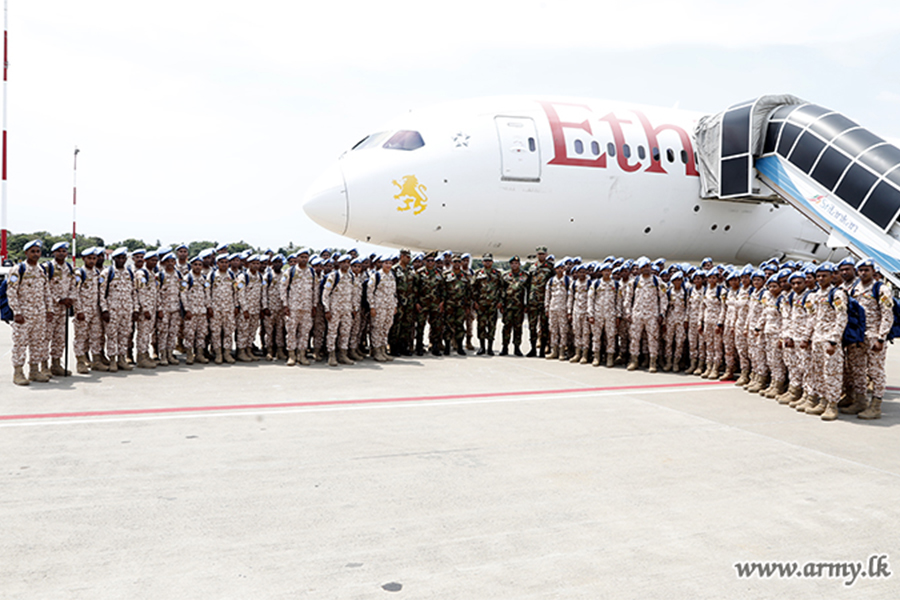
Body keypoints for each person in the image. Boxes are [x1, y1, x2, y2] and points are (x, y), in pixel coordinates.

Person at [847, 259, 894, 419]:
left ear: (873, 271)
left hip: (874, 337)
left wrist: (881, 338)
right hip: (858, 337)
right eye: (860, 270)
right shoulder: (855, 288)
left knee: (875, 371)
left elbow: (887, 315)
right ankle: (860, 401)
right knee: (858, 370)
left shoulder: (881, 289)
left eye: (866, 270)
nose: (863, 273)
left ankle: (876, 406)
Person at [7, 240, 52, 385]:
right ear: (26, 253)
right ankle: (18, 372)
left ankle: (34, 371)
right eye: (32, 251)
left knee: (37, 343)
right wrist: (17, 312)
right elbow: (11, 292)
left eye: (38, 251)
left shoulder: (41, 270)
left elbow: (47, 292)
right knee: (20, 344)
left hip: (39, 314)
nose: (36, 254)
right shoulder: (18, 269)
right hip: (23, 315)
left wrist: (49, 310)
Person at [807, 263, 848, 420]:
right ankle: (823, 400)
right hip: (817, 339)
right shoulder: (815, 295)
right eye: (818, 276)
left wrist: (834, 340)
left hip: (829, 340)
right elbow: (812, 318)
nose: (821, 278)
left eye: (824, 275)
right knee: (818, 372)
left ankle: (832, 405)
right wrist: (808, 337)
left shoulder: (837, 294)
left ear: (832, 276)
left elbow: (842, 317)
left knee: (832, 373)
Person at [99, 247, 137, 372]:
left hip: (127, 310)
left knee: (124, 336)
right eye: (118, 258)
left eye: (123, 258)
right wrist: (104, 309)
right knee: (112, 336)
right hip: (112, 311)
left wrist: (135, 308)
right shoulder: (107, 273)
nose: (121, 260)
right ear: (113, 259)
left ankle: (122, 359)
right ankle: (112, 361)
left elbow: (134, 292)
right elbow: (102, 293)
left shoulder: (130, 273)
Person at [627, 257, 667, 373]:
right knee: (635, 338)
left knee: (653, 339)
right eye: (643, 267)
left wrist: (661, 313)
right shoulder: (634, 282)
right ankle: (634, 361)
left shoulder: (657, 281)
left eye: (648, 266)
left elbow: (663, 298)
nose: (646, 269)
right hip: (637, 314)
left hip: (652, 315)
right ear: (639, 269)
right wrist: (628, 312)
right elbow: (628, 298)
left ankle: (652, 362)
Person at [44, 241, 76, 376]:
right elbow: (44, 287)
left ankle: (56, 364)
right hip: (49, 308)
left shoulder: (69, 268)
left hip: (63, 309)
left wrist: (70, 299)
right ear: (53, 253)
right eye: (59, 251)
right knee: (45, 338)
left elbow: (73, 285)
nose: (62, 253)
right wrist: (59, 299)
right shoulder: (47, 267)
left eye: (64, 251)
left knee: (59, 338)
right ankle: (43, 366)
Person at [73, 248, 106, 373]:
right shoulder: (80, 273)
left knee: (96, 336)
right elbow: (75, 292)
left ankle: (96, 361)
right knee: (81, 337)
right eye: (89, 258)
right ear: (84, 259)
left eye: (94, 258)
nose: (92, 261)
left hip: (95, 310)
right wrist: (79, 310)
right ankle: (80, 362)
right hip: (83, 310)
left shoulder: (97, 273)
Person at [282, 249, 317, 366]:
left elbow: (315, 290)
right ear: (297, 258)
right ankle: (291, 355)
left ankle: (302, 355)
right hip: (293, 307)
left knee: (305, 332)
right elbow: (283, 289)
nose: (304, 259)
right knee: (291, 332)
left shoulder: (312, 272)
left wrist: (314, 305)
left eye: (306, 257)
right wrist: (285, 305)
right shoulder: (290, 271)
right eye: (301, 257)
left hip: (307, 308)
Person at [322, 254, 357, 366]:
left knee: (345, 332)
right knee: (332, 332)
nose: (346, 264)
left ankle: (343, 354)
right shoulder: (333, 276)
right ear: (340, 263)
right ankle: (331, 355)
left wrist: (354, 308)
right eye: (344, 262)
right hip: (334, 310)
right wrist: (327, 309)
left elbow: (354, 294)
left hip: (347, 309)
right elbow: (325, 294)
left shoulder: (351, 277)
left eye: (348, 262)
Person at [208, 253, 238, 364]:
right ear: (217, 263)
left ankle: (227, 353)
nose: (224, 264)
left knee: (228, 332)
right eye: (222, 262)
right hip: (216, 309)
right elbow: (207, 292)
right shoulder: (212, 275)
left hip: (229, 309)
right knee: (216, 332)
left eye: (226, 262)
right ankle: (218, 354)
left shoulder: (231, 275)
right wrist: (209, 306)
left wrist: (236, 305)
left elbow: (235, 292)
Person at [367, 255, 398, 362]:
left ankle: (383, 349)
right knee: (377, 328)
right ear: (381, 264)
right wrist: (372, 307)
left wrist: (394, 305)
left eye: (390, 263)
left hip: (389, 306)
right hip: (379, 306)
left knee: (386, 328)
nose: (388, 265)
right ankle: (376, 350)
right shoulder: (376, 275)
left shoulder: (392, 275)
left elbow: (394, 292)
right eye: (386, 263)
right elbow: (369, 292)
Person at [182, 256, 212, 364]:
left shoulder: (204, 279)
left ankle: (199, 354)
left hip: (202, 311)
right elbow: (183, 294)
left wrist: (208, 307)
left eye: (200, 265)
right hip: (191, 312)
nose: (198, 267)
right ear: (191, 265)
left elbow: (207, 294)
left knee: (201, 333)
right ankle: (189, 355)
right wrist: (187, 309)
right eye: (195, 264)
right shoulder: (187, 278)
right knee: (190, 334)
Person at [134, 249, 160, 369]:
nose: (154, 262)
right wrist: (145, 309)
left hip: (152, 308)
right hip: (146, 310)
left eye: (155, 260)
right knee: (143, 334)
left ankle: (145, 354)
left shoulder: (151, 273)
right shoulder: (142, 273)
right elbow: (141, 291)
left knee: (147, 333)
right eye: (151, 260)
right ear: (145, 261)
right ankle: (141, 357)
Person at [526, 246, 554, 357]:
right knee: (532, 326)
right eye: (539, 254)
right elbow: (528, 285)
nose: (541, 256)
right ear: (537, 255)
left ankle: (542, 349)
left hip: (544, 301)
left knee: (544, 327)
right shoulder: (532, 267)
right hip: (532, 301)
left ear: (546, 255)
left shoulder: (550, 268)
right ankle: (533, 348)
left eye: (543, 254)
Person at [415, 252, 445, 356]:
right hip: (423, 304)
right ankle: (419, 346)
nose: (431, 262)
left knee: (436, 326)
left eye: (432, 261)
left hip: (435, 304)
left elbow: (443, 289)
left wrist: (442, 302)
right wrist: (417, 303)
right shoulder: (419, 273)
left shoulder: (439, 273)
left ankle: (434, 346)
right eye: (428, 261)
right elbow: (415, 289)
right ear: (424, 262)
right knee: (420, 326)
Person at [472, 253, 502, 356]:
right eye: (485, 261)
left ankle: (490, 348)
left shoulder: (497, 274)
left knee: (492, 326)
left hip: (493, 305)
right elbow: (473, 288)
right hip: (481, 305)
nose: (487, 262)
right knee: (481, 326)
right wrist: (474, 302)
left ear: (492, 262)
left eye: (489, 261)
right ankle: (482, 347)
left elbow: (501, 288)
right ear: (482, 262)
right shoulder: (477, 274)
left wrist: (500, 301)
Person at [499, 256, 529, 356]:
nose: (514, 265)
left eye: (516, 263)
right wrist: (501, 304)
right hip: (508, 307)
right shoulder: (505, 276)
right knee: (506, 327)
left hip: (519, 307)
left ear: (519, 264)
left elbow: (528, 291)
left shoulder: (525, 276)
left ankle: (517, 348)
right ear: (510, 265)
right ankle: (505, 347)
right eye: (512, 263)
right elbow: (502, 291)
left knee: (518, 328)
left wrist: (526, 305)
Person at [443, 254, 471, 355]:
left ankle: (460, 347)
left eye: (459, 262)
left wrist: (468, 306)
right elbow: (443, 290)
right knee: (448, 326)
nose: (457, 264)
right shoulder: (446, 275)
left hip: (461, 305)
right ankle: (447, 347)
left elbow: (468, 293)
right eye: (455, 262)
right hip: (449, 305)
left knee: (460, 326)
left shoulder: (465, 276)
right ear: (451, 263)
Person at [544, 261, 570, 360]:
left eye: (561, 268)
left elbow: (571, 296)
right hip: (553, 309)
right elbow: (547, 295)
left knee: (563, 331)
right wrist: (547, 307)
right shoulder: (551, 281)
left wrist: (569, 311)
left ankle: (562, 352)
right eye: (558, 268)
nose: (560, 270)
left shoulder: (568, 280)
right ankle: (554, 351)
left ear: (564, 269)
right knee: (553, 330)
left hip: (563, 309)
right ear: (555, 270)